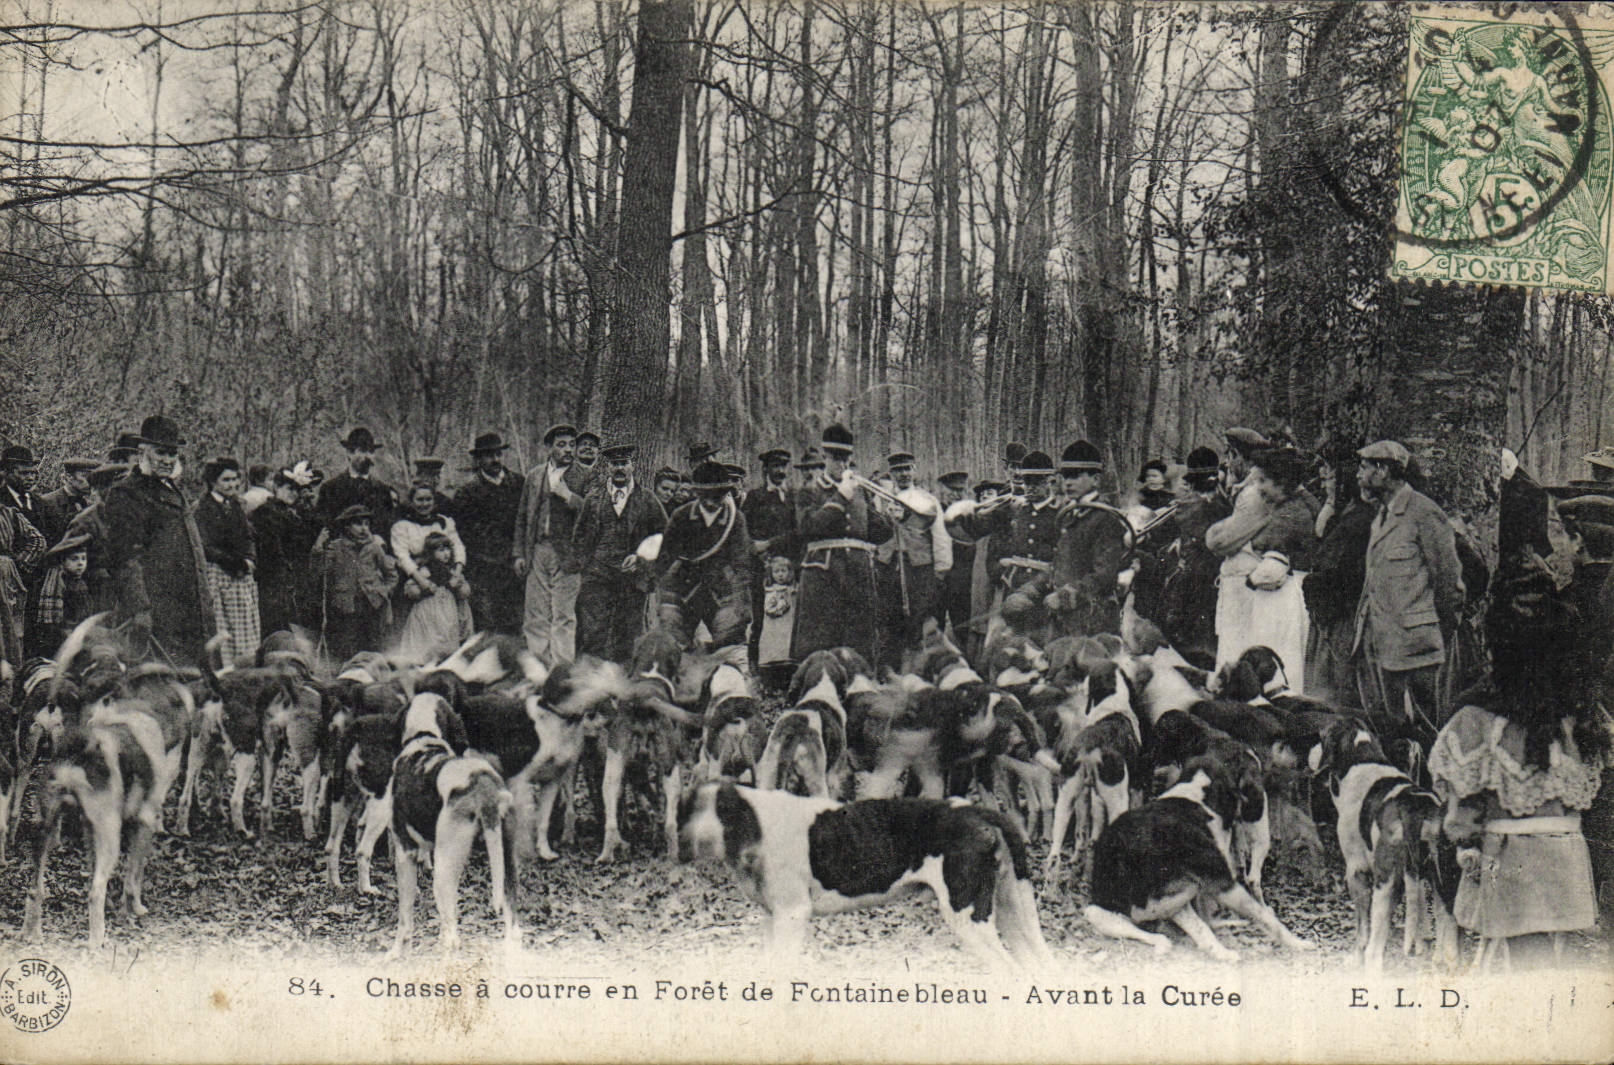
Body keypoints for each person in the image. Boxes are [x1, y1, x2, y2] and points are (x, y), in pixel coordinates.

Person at [1430, 552, 1609, 968]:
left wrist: (1464, 843)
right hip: (1568, 859)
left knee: (1518, 966)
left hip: (1509, 862)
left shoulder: (1476, 722)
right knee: (1549, 958)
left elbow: (1462, 814)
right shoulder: (1582, 717)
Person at [1354, 439, 1464, 744]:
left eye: (1364, 468)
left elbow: (1449, 582)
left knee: (1427, 733)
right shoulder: (1382, 516)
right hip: (1384, 644)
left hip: (1417, 649)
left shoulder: (1423, 513)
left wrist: (1431, 630)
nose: (1358, 475)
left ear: (1384, 470)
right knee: (1394, 734)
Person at [102, 415, 215, 667]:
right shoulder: (127, 493)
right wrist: (140, 610)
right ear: (143, 452)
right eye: (160, 452)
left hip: (189, 610)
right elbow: (124, 559)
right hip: (156, 613)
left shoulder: (173, 491)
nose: (167, 460)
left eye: (172, 453)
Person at [1208, 447, 1316, 689]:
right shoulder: (1289, 506)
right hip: (1275, 596)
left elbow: (1266, 552)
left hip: (1283, 598)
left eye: (1265, 481)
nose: (1260, 488)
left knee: (1276, 661)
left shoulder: (1291, 515)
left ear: (1283, 483)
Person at [791, 425, 891, 665]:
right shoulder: (809, 491)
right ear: (825, 458)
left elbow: (874, 533)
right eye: (836, 460)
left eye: (846, 460)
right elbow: (808, 528)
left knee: (859, 633)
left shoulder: (860, 493)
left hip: (857, 570)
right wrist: (839, 497)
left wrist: (892, 518)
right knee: (821, 633)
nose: (842, 466)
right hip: (822, 572)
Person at [946, 450, 1062, 645]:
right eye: (1027, 481)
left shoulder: (1060, 515)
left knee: (1044, 647)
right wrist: (1000, 573)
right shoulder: (1012, 511)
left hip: (1046, 594)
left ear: (1050, 482)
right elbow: (994, 551)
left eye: (1037, 482)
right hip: (1012, 588)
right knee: (1006, 647)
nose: (1030, 487)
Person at [570, 443, 666, 663]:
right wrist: (587, 566)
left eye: (624, 463)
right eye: (615, 464)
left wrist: (642, 559)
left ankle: (624, 683)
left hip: (632, 579)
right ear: (608, 468)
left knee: (629, 634)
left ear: (633, 466)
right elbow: (579, 538)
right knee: (594, 631)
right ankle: (592, 681)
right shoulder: (594, 499)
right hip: (598, 577)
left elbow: (664, 536)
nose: (620, 468)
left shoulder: (648, 499)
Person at [1303, 448, 1375, 708]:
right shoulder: (1346, 515)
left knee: (1335, 687)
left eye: (1331, 478)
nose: (1324, 482)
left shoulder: (1358, 521)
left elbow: (1337, 569)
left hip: (1342, 619)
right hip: (1331, 616)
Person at [658, 460, 754, 652]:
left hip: (721, 592)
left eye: (718, 495)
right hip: (684, 591)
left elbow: (742, 562)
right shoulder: (682, 516)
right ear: (697, 493)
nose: (712, 501)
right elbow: (665, 557)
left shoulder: (735, 520)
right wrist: (666, 597)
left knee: (731, 646)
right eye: (706, 495)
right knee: (674, 646)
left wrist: (740, 601)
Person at [513, 423, 589, 664]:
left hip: (568, 555)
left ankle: (561, 668)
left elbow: (595, 515)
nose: (568, 450)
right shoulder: (535, 476)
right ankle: (538, 665)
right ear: (549, 448)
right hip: (538, 549)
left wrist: (569, 497)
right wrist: (519, 554)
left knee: (563, 615)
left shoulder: (586, 476)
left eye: (572, 444)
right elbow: (523, 516)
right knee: (535, 613)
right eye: (561, 444)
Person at [1039, 441, 1129, 640]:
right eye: (1065, 477)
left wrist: (1064, 597)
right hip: (1065, 619)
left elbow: (1105, 576)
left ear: (1096, 479)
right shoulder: (1069, 515)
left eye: (1076, 476)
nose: (1068, 483)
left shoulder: (1106, 518)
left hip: (1093, 620)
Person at [873, 451, 950, 666]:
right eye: (898, 470)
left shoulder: (927, 500)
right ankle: (891, 668)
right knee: (888, 617)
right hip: (888, 565)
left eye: (907, 469)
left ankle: (920, 666)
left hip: (919, 567)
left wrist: (941, 569)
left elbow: (940, 536)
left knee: (919, 617)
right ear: (891, 473)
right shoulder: (879, 499)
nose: (903, 474)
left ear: (915, 471)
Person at [450, 432, 526, 635]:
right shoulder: (467, 492)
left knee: (515, 622)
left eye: (498, 454)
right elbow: (465, 532)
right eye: (488, 455)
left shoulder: (520, 484)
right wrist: (490, 552)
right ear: (479, 459)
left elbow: (527, 522)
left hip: (514, 566)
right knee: (486, 624)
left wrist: (517, 553)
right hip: (483, 569)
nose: (495, 460)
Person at [194, 457, 261, 668]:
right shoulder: (202, 508)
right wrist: (234, 563)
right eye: (226, 480)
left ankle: (247, 666)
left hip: (241, 574)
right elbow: (205, 546)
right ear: (213, 482)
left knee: (245, 627)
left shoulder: (236, 505)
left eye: (235, 479)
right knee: (225, 627)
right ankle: (228, 670)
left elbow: (248, 536)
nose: (232, 485)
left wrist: (249, 559)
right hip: (219, 573)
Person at [316, 505, 396, 663]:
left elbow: (391, 575)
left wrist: (383, 592)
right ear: (347, 526)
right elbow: (321, 573)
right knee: (348, 647)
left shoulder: (374, 548)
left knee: (373, 645)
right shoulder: (336, 547)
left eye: (367, 524)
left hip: (372, 605)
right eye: (358, 524)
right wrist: (318, 549)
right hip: (346, 606)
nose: (364, 529)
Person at [741, 447, 797, 668]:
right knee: (760, 616)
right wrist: (755, 548)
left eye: (783, 466)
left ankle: (787, 662)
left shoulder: (793, 497)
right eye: (776, 466)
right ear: (766, 470)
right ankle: (756, 665)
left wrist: (772, 544)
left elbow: (799, 530)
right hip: (761, 568)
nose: (780, 471)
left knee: (788, 616)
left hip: (788, 567)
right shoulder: (755, 497)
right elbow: (742, 529)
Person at [252, 464, 321, 638]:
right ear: (276, 487)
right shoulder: (265, 513)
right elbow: (273, 551)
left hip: (293, 581)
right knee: (277, 627)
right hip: (273, 580)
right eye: (289, 488)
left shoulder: (296, 515)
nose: (293, 493)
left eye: (297, 490)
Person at [396, 530, 473, 663]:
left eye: (448, 549)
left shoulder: (452, 571)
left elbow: (464, 591)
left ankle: (445, 661)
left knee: (447, 638)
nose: (446, 554)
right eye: (441, 550)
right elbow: (411, 589)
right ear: (431, 553)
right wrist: (424, 588)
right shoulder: (425, 571)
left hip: (448, 611)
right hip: (429, 611)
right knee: (428, 643)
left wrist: (458, 585)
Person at [391, 482, 467, 613]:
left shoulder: (444, 522)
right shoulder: (402, 526)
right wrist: (422, 581)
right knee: (415, 592)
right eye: (420, 500)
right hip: (419, 573)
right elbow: (402, 556)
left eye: (428, 499)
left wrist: (457, 572)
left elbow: (458, 546)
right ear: (411, 501)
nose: (424, 504)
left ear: (434, 501)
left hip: (445, 570)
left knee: (464, 590)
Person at [63, 462, 124, 615]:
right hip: (95, 593)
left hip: (124, 590)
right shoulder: (84, 521)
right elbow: (66, 560)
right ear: (102, 491)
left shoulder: (127, 517)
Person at [317, 427, 398, 540]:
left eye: (371, 451)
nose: (368, 456)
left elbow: (388, 527)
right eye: (362, 450)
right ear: (349, 453)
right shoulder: (330, 488)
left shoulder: (382, 490)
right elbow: (327, 526)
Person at [29, 534, 92, 658]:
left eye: (83, 559)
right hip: (63, 634)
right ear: (63, 561)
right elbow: (52, 617)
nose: (80, 563)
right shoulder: (58, 581)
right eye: (74, 559)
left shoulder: (80, 582)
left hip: (80, 630)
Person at [935, 471, 974, 643]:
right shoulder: (935, 514)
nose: (957, 495)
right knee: (936, 624)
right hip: (938, 576)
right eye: (952, 490)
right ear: (942, 490)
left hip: (962, 577)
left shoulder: (970, 515)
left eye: (961, 490)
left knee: (963, 624)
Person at [35, 457, 97, 545]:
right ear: (69, 477)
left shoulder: (90, 505)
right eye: (86, 476)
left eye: (93, 477)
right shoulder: (46, 503)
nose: (91, 481)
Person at [1, 445, 45, 533]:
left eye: (32, 473)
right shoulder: (2, 501)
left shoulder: (39, 502)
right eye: (24, 473)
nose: (31, 478)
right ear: (7, 473)